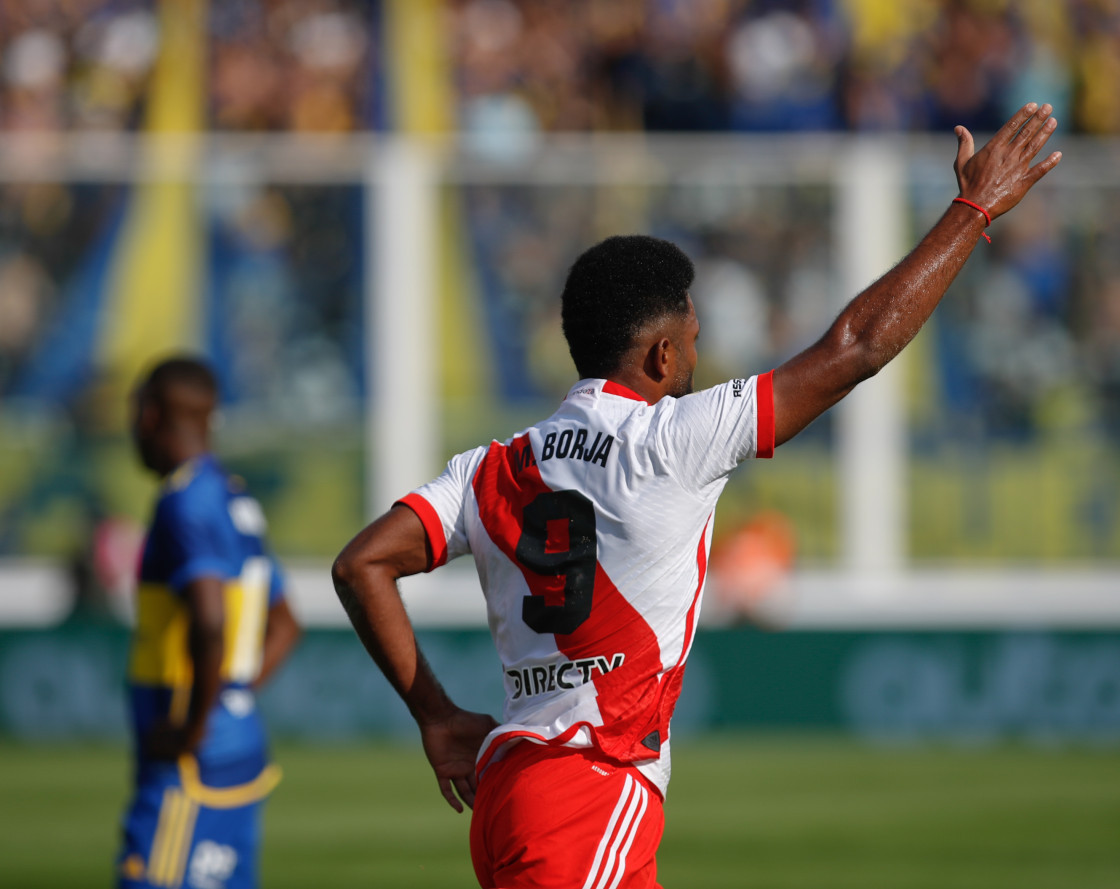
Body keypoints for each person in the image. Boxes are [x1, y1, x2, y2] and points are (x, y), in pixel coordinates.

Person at [332, 102, 1061, 888]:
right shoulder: (672, 439)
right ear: (659, 351)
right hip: (591, 786)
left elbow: (360, 564)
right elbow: (856, 347)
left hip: (513, 785)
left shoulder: (490, 468)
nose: (699, 350)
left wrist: (436, 717)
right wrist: (972, 211)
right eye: (693, 335)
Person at [117, 356, 301, 889]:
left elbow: (209, 617)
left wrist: (197, 725)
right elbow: (287, 623)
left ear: (150, 416)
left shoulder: (184, 501)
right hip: (238, 747)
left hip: (191, 764)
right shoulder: (233, 496)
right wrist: (234, 697)